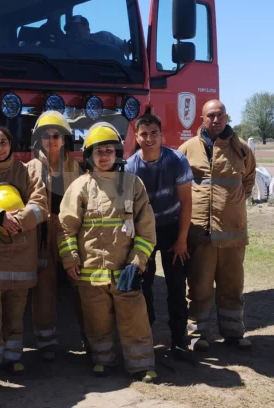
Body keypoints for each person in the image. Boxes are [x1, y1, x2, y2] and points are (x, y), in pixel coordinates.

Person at [58, 122, 158, 383]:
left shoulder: (133, 184)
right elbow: (65, 228)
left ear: (118, 154)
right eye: (98, 152)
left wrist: (137, 263)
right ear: (89, 156)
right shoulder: (80, 187)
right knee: (96, 322)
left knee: (134, 319)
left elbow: (146, 230)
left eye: (109, 151)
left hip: (126, 271)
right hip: (91, 274)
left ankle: (141, 364)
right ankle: (103, 360)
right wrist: (70, 259)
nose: (104, 157)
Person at [178, 99, 256, 352]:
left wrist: (229, 206)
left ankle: (234, 332)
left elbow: (248, 181)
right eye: (211, 115)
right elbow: (178, 185)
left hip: (232, 233)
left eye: (221, 115)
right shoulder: (187, 149)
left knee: (232, 285)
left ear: (227, 117)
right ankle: (197, 335)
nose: (216, 120)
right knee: (199, 285)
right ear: (202, 118)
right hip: (200, 232)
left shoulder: (242, 148)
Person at [0, 125, 48, 376]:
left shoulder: (25, 172)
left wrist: (21, 220)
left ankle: (13, 356)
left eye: (3, 142)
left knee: (16, 307)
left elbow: (40, 204)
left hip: (20, 251)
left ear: (11, 144)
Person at [125, 113, 193, 358]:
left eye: (154, 133)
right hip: (145, 232)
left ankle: (179, 340)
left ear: (161, 134)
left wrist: (182, 239)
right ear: (136, 136)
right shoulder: (130, 166)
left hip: (174, 228)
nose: (149, 138)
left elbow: (186, 202)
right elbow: (128, 209)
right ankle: (148, 338)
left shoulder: (177, 160)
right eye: (144, 134)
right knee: (145, 287)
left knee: (176, 286)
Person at [26, 111, 83, 361]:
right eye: (46, 136)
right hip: (43, 235)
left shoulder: (75, 167)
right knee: (44, 285)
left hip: (69, 232)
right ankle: (46, 338)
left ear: (64, 138)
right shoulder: (30, 168)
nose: (51, 140)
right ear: (38, 139)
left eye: (56, 135)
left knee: (81, 281)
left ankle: (90, 334)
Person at [64, 15, 130, 58]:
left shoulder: (103, 36)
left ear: (87, 28)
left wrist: (127, 48)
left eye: (76, 29)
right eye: (71, 30)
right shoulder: (70, 48)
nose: (74, 33)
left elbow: (125, 48)